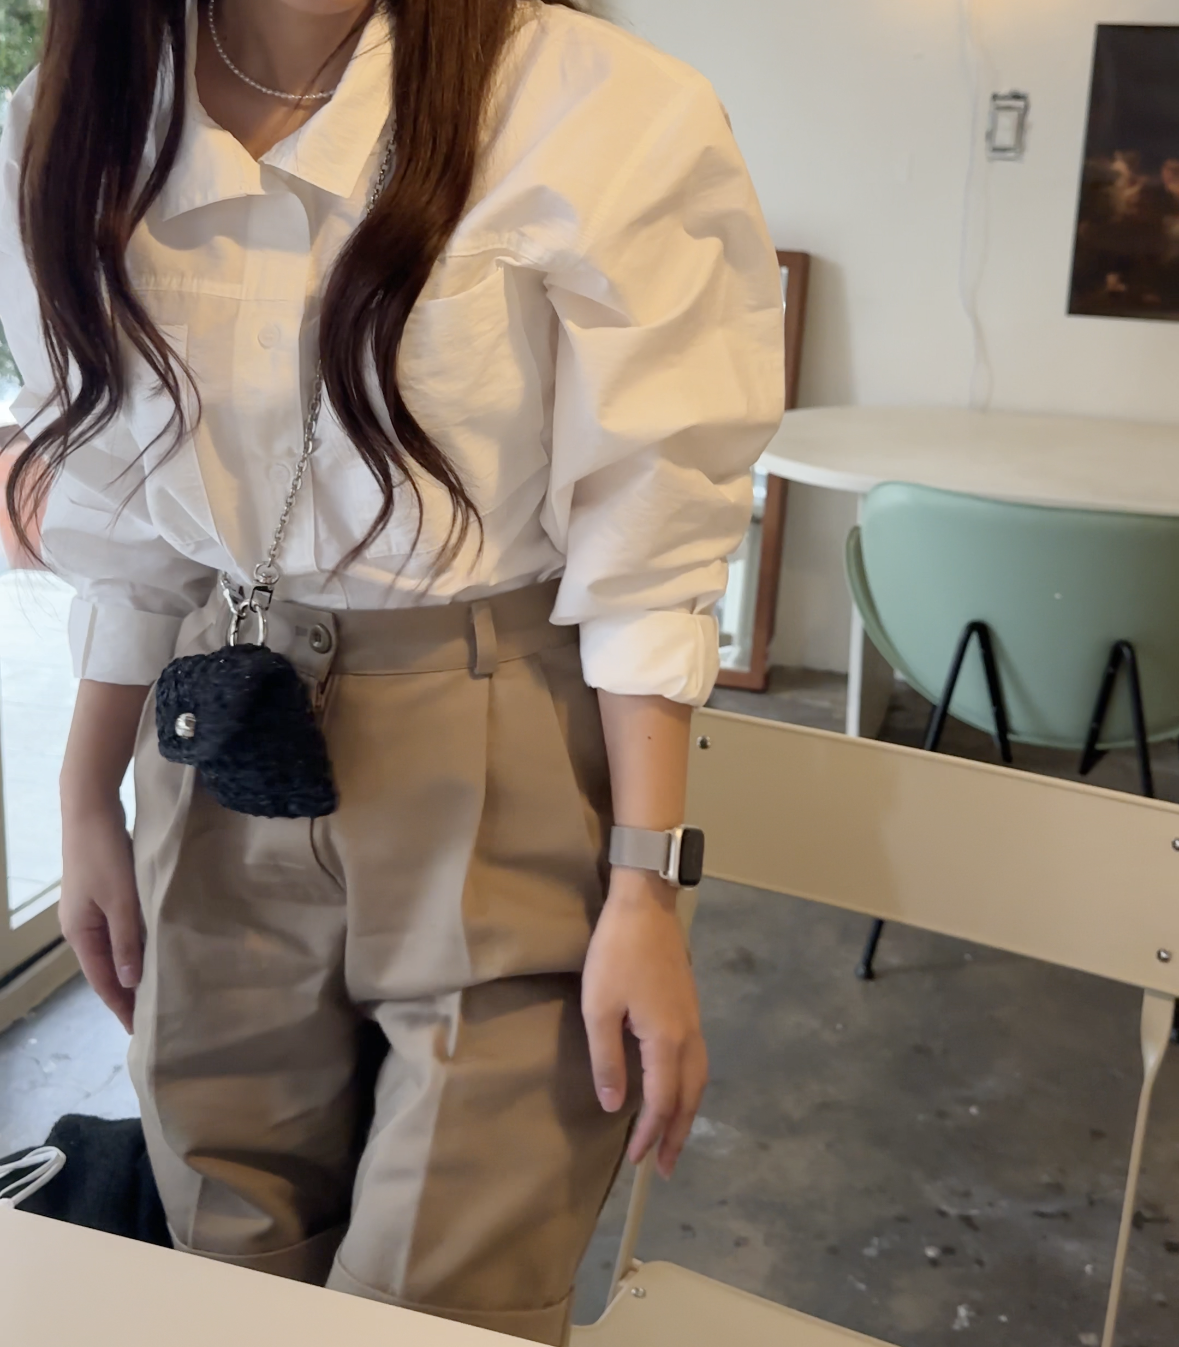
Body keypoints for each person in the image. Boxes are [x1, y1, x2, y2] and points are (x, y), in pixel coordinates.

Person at [0, 0, 784, 1340]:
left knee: (450, 1287)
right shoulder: (78, 117)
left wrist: (645, 884)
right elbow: (128, 529)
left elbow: (650, 539)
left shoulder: (591, 102)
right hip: (218, 736)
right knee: (222, 1250)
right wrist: (86, 804)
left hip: (494, 739)